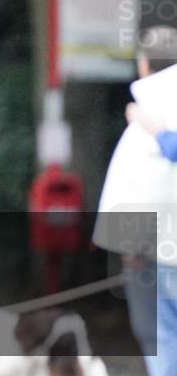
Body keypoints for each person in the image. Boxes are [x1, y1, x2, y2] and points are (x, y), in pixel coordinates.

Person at [93, 25, 177, 376]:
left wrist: (154, 129)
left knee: (162, 337)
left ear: (143, 64)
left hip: (153, 253)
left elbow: (136, 183)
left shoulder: (147, 116)